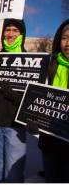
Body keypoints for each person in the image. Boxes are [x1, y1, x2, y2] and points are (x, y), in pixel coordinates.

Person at [0, 18, 26, 183]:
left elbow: (32, 97)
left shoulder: (30, 59)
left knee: (13, 171)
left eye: (15, 30)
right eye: (7, 29)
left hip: (15, 125)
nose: (10, 34)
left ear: (22, 34)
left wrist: (14, 95)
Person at [38, 19, 69, 183]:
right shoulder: (50, 65)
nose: (68, 43)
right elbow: (37, 97)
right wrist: (33, 118)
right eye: (65, 38)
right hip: (50, 141)